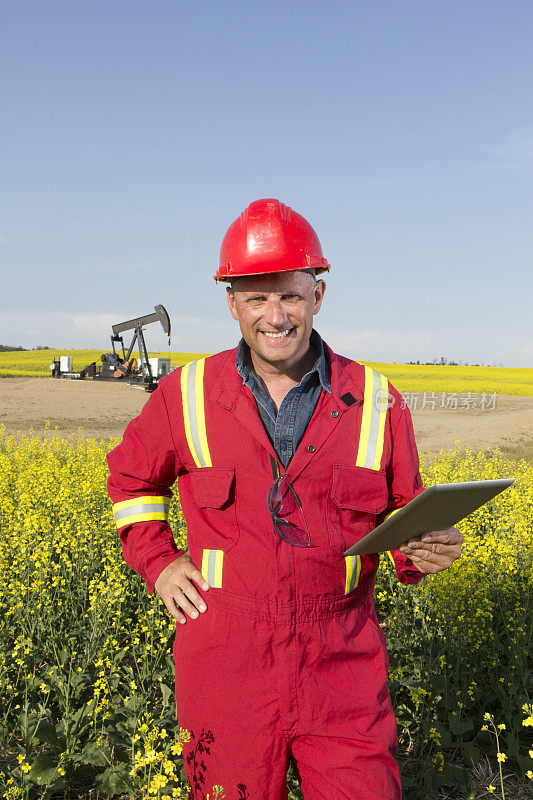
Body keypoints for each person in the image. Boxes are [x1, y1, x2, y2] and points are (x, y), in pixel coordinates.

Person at [107, 198, 463, 800]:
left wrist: (425, 549)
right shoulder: (185, 393)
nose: (276, 316)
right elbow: (132, 482)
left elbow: (407, 512)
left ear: (317, 296)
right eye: (257, 298)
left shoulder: (376, 397)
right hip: (226, 658)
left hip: (342, 658)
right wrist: (160, 561)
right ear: (232, 304)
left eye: (291, 295)